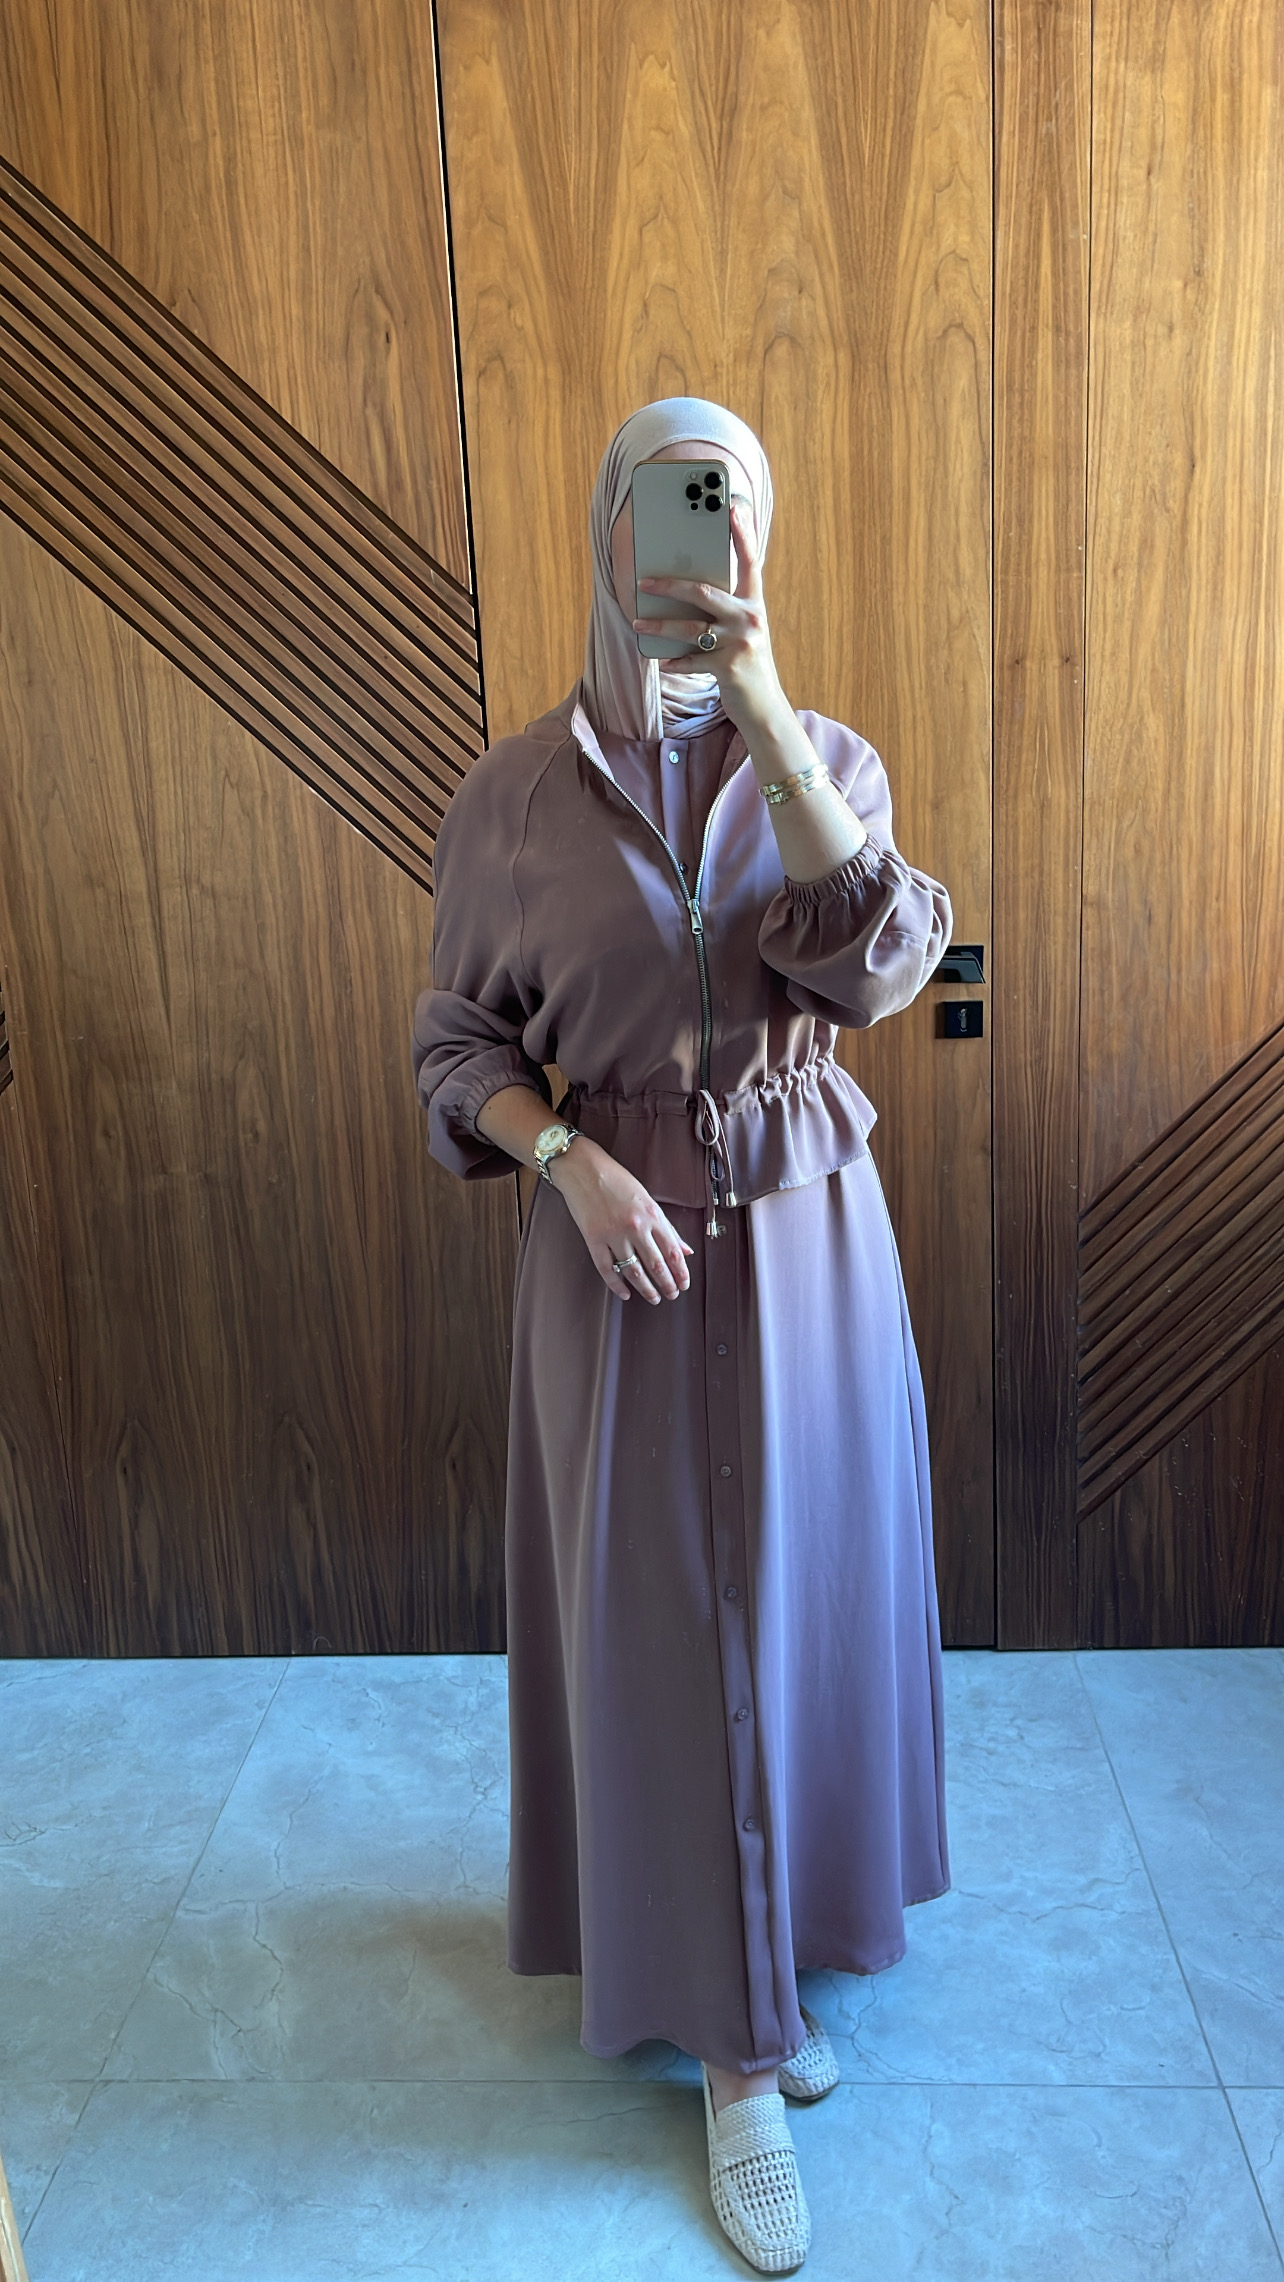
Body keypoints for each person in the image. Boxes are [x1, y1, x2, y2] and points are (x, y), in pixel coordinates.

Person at [413, 398, 952, 2273]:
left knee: (798, 1601)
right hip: (620, 1261)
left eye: (728, 510)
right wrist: (568, 1161)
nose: (694, 545)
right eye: (666, 506)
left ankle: (762, 1958)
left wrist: (769, 699)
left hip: (810, 1248)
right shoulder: (514, 800)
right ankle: (737, 2055)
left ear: (759, 538)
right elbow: (456, 1046)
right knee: (664, 1618)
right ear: (605, 529)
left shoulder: (830, 761)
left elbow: (878, 958)